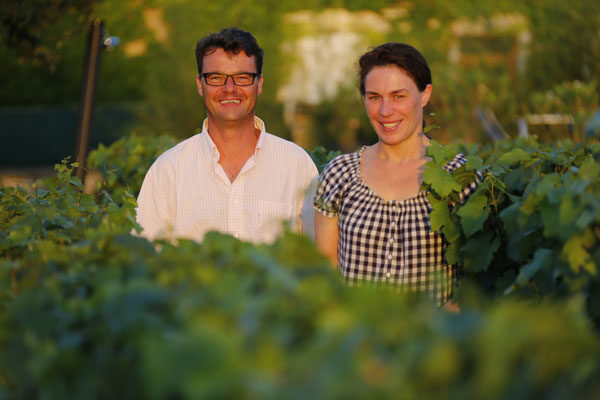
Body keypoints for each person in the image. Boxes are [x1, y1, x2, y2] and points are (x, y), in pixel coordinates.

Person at [313, 42, 479, 308]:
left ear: (425, 95)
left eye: (398, 96)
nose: (385, 111)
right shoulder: (339, 174)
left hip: (435, 343)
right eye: (374, 97)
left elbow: (474, 286)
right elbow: (326, 272)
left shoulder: (460, 177)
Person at [136, 27, 318, 244]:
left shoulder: (297, 166)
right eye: (216, 78)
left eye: (242, 77)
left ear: (258, 84)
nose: (229, 88)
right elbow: (145, 258)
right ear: (200, 85)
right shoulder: (168, 170)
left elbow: (314, 259)